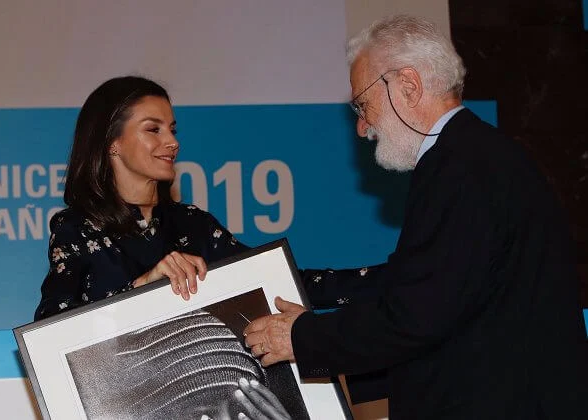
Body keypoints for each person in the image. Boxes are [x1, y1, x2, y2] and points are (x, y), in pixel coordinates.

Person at [244, 15, 588, 419]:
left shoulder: (463, 168)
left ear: (407, 85)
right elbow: (421, 287)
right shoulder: (476, 157)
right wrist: (307, 301)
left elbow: (417, 313)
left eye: (361, 104)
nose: (361, 127)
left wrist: (302, 338)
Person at [34, 76, 248, 320]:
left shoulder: (195, 223)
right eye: (153, 129)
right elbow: (50, 324)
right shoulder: (76, 229)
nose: (173, 142)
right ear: (112, 142)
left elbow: (262, 275)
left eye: (172, 130)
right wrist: (141, 289)